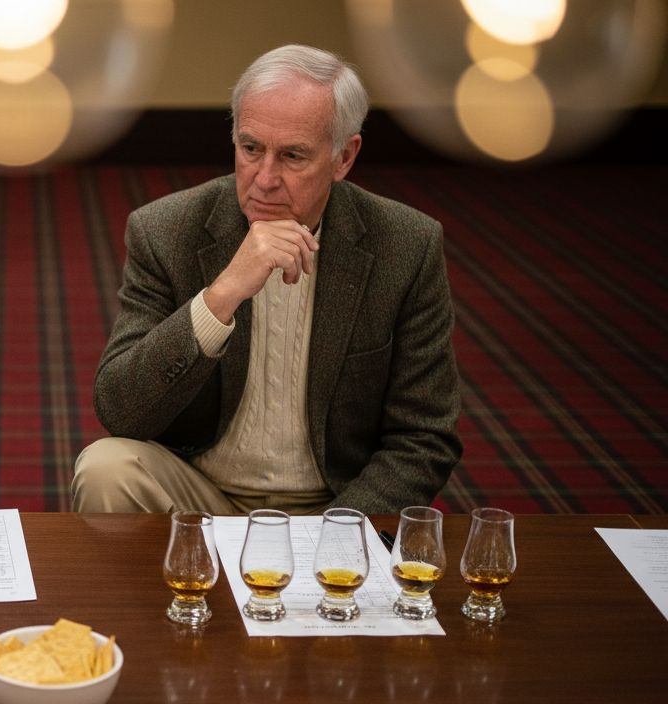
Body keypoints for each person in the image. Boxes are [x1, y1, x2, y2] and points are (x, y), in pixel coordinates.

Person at [72, 44, 461, 517]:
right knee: (105, 468)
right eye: (251, 148)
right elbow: (121, 410)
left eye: (293, 156)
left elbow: (424, 436)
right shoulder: (166, 230)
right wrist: (221, 296)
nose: (265, 178)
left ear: (344, 157)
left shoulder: (406, 245)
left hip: (333, 503)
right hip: (200, 494)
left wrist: (335, 533)